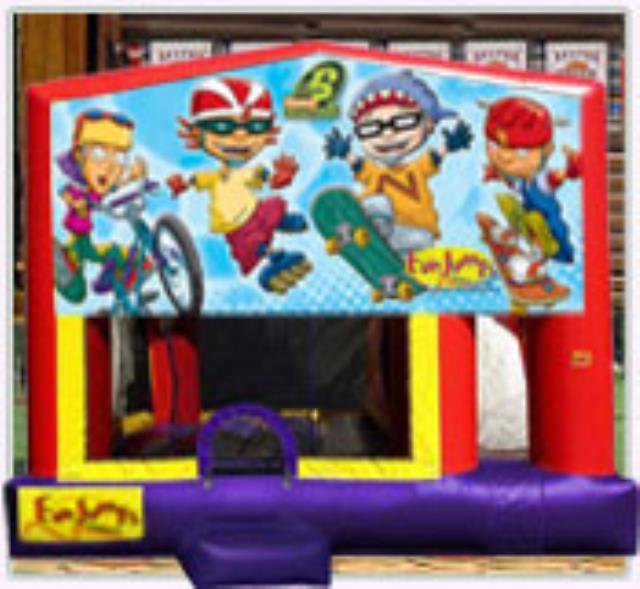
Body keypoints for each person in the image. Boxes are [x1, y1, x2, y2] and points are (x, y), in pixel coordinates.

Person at [167, 77, 311, 294]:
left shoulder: (245, 173)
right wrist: (182, 184)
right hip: (235, 225)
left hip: (254, 210)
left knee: (272, 206)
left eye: (255, 127)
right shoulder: (215, 177)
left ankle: (280, 221)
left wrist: (280, 178)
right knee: (252, 243)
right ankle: (274, 256)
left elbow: (264, 178)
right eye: (223, 126)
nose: (241, 136)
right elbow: (197, 180)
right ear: (198, 133)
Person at [324, 70, 473, 257]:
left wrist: (449, 146)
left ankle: (385, 247)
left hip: (415, 235)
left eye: (403, 121)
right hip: (383, 231)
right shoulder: (375, 173)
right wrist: (345, 153)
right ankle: (357, 235)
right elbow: (360, 166)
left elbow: (432, 159)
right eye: (371, 127)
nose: (388, 134)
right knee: (378, 202)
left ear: (428, 124)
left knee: (423, 239)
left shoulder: (416, 170)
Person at [479, 96, 581, 285]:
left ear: (547, 150)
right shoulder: (519, 179)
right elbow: (513, 185)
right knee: (509, 203)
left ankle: (538, 262)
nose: (504, 157)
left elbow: (557, 177)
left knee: (535, 220)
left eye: (521, 151)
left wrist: (573, 168)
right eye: (495, 145)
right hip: (527, 217)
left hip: (547, 227)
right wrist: (496, 174)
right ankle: (514, 233)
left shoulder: (542, 179)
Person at [55, 109, 148, 303]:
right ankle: (56, 257)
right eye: (98, 153)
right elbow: (64, 191)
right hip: (78, 241)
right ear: (78, 155)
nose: (109, 165)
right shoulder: (78, 186)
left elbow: (113, 187)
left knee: (103, 253)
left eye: (120, 157)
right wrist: (74, 202)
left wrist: (133, 177)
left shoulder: (95, 188)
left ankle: (119, 269)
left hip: (84, 239)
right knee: (76, 289)